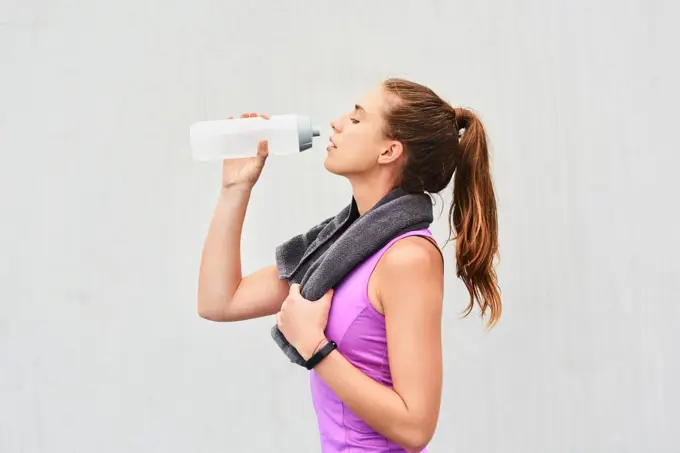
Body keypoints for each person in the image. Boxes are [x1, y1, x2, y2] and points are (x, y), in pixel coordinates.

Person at [196, 78, 501, 452]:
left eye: (357, 120)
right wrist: (235, 188)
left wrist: (314, 347)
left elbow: (416, 426)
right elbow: (219, 301)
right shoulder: (340, 250)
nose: (338, 123)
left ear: (389, 151)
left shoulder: (408, 258)